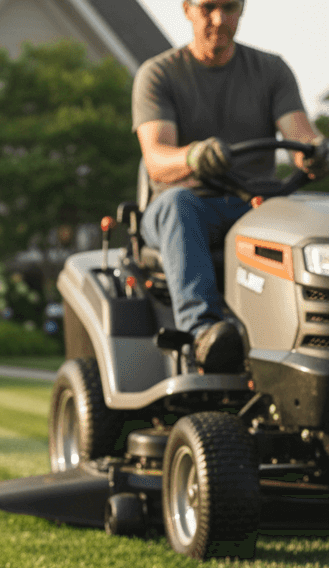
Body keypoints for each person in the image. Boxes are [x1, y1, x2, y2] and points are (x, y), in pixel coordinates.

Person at [132, 0, 329, 371]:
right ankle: (203, 333)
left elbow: (302, 137)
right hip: (185, 206)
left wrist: (316, 152)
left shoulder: (271, 71)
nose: (219, 19)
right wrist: (193, 157)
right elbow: (157, 159)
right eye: (208, 7)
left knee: (310, 215)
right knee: (179, 206)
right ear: (187, 9)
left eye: (230, 7)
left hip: (254, 206)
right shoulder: (159, 74)